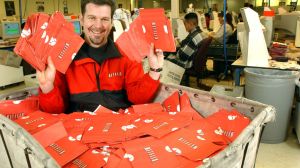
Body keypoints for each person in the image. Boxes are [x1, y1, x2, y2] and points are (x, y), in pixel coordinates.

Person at [37, 0, 164, 113]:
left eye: (104, 19)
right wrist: (47, 88)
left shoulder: (126, 55)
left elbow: (138, 99)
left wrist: (154, 71)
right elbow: (55, 112)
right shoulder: (63, 58)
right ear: (81, 19)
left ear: (111, 22)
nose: (98, 25)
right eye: (92, 18)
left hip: (120, 129)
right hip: (79, 132)